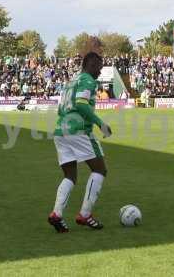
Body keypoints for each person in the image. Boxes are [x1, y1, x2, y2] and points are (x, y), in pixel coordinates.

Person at [48, 52, 112, 233]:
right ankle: (85, 214)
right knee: (100, 169)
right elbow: (82, 104)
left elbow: (61, 108)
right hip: (79, 130)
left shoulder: (70, 83)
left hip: (61, 131)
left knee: (70, 176)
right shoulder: (88, 81)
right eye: (99, 67)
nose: (100, 72)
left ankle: (57, 215)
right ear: (90, 65)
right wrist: (100, 123)